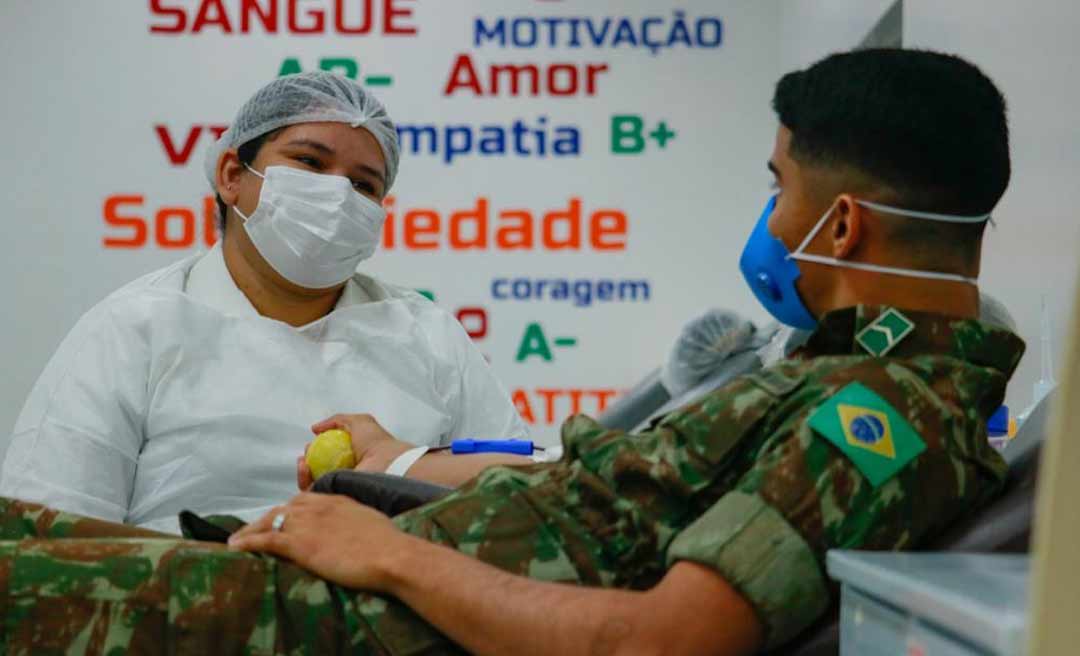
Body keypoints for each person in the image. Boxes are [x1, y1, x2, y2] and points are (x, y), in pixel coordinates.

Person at [0, 48, 1022, 655]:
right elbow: (604, 496)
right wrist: (397, 478)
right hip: (370, 569)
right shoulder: (841, 369)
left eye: (776, 183)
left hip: (374, 610)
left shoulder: (885, 415)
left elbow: (664, 639)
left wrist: (385, 549)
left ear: (838, 225)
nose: (767, 212)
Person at [0, 72, 527, 534]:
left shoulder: (428, 335)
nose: (338, 194)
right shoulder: (135, 326)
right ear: (231, 174)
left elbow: (523, 507)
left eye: (364, 185)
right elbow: (46, 536)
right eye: (308, 162)